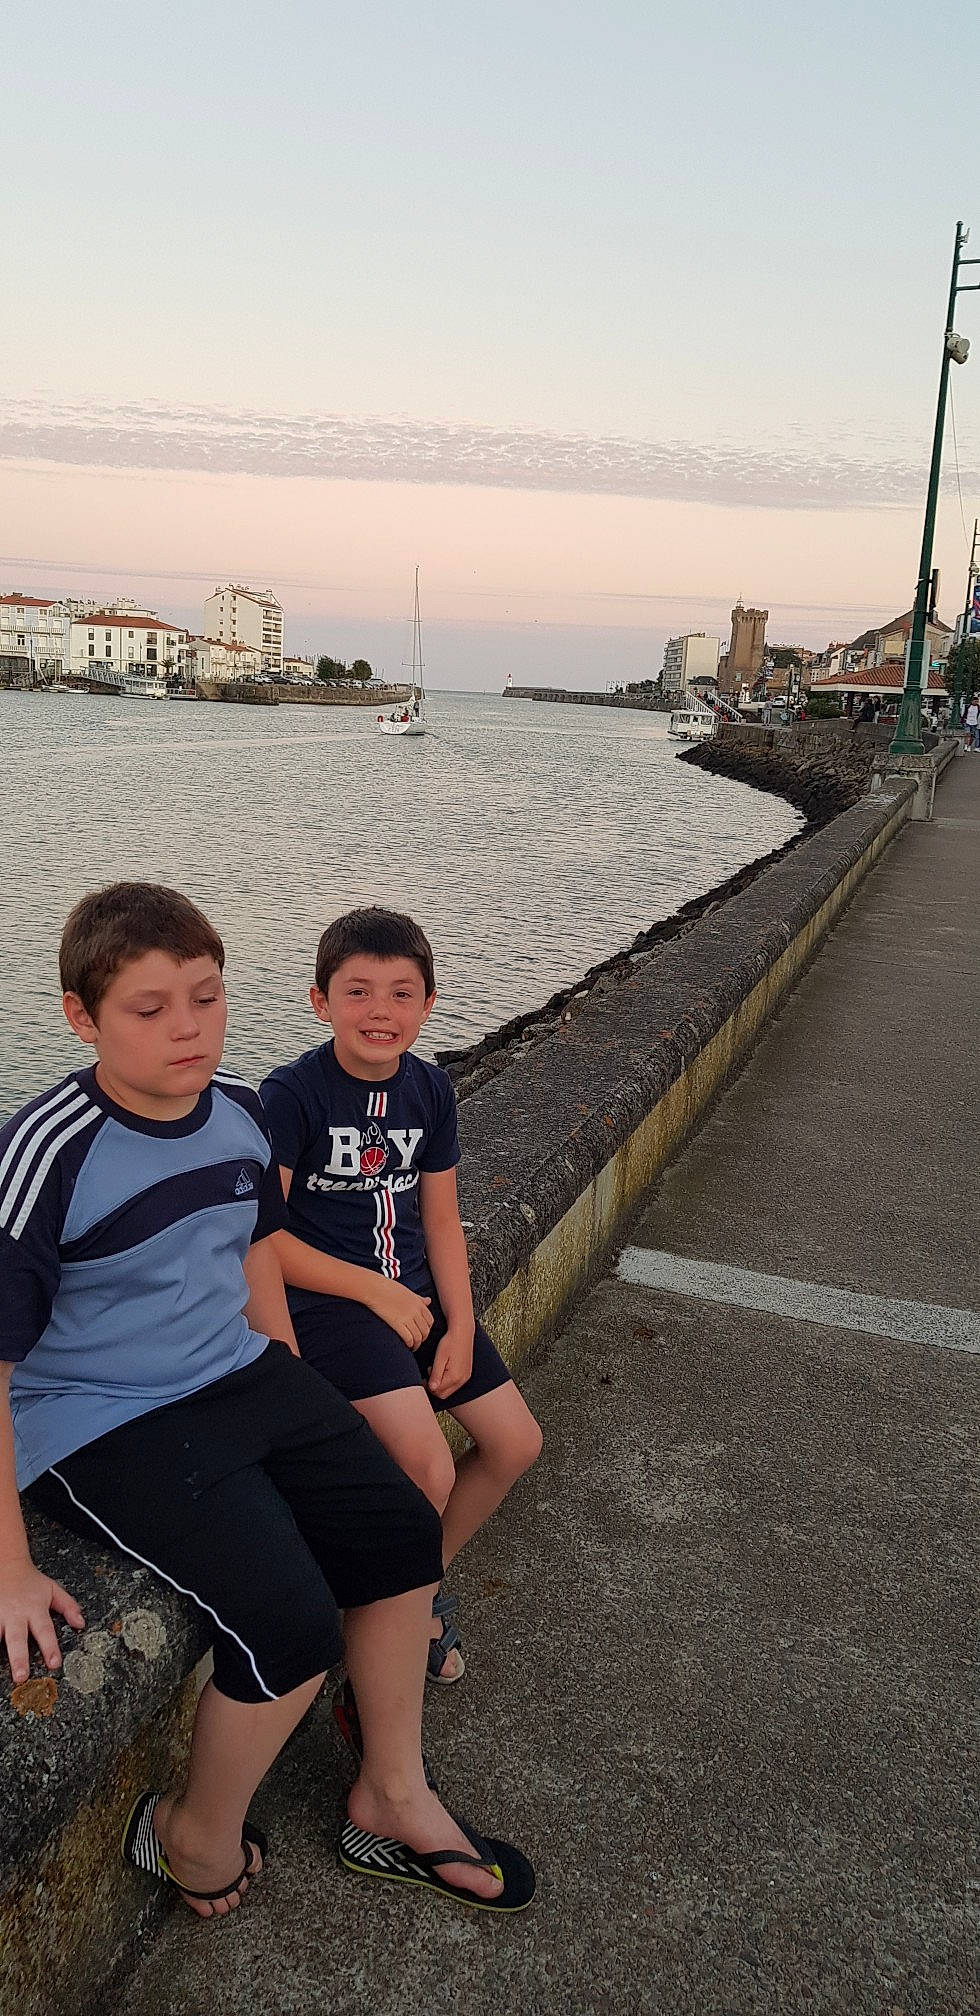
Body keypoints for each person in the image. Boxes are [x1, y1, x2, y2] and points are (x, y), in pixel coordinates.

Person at [0, 883, 534, 1920]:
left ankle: (390, 1793)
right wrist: (11, 1565)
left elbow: (250, 1243)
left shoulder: (239, 1109)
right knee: (288, 1627)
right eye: (149, 1008)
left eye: (206, 997)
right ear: (81, 1017)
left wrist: (286, 1377)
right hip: (99, 1417)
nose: (187, 1028)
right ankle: (190, 1837)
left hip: (236, 1371)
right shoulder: (49, 1152)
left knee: (400, 1531)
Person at [260, 907, 543, 1688]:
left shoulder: (430, 1088)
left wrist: (462, 1324)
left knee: (515, 1443)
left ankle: (412, 1590)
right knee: (428, 1468)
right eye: (357, 992)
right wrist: (374, 1292)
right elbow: (263, 1238)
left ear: (428, 1003)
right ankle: (389, 1623)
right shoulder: (291, 1095)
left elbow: (442, 1220)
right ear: (320, 1002)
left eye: (400, 993)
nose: (379, 1011)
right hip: (333, 1305)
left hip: (416, 1298)